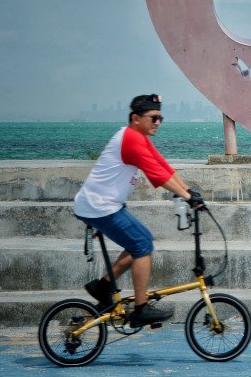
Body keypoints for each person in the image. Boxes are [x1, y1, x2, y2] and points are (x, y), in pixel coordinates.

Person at [73, 93, 203, 326]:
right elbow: (158, 176)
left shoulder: (139, 138)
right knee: (142, 245)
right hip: (99, 206)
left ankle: (102, 286)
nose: (158, 123)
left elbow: (164, 167)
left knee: (141, 242)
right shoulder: (131, 139)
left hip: (104, 205)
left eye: (160, 118)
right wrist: (186, 196)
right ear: (136, 118)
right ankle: (140, 309)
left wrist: (189, 192)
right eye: (153, 118)